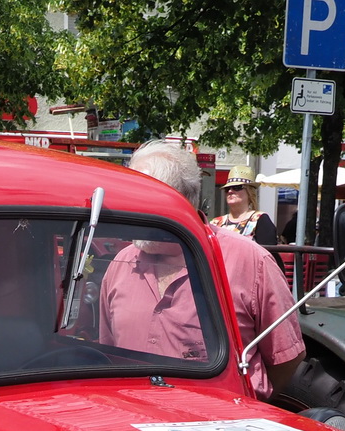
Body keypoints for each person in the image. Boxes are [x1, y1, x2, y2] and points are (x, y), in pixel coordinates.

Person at [119, 140, 304, 398]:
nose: (128, 208)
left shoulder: (250, 260)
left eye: (139, 197)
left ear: (179, 200)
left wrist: (248, 400)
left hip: (221, 427)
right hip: (131, 423)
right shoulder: (121, 264)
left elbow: (286, 358)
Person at [210, 166, 277, 245]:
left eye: (237, 187)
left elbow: (268, 254)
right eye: (227, 188)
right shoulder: (215, 223)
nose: (230, 191)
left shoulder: (259, 220)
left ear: (249, 191)